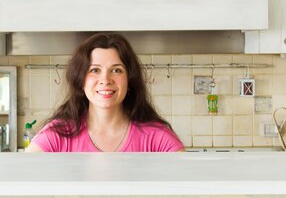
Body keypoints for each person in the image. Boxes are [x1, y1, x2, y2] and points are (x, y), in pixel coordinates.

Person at [25, 33, 185, 152]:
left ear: (130, 79)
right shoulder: (56, 135)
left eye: (116, 70)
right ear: (81, 80)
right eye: (94, 70)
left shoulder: (158, 137)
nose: (105, 79)